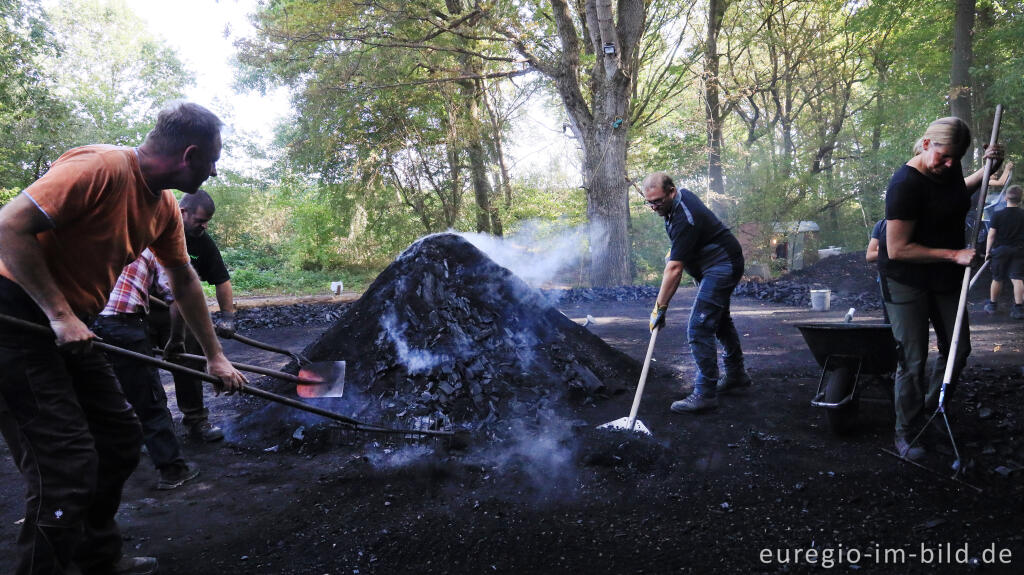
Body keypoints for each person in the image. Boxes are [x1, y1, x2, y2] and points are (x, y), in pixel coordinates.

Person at [0, 101, 247, 575]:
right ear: (189, 154)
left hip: (71, 322)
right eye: (213, 160)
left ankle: (96, 558)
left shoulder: (164, 209)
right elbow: (10, 226)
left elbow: (185, 279)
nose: (215, 170)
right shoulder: (103, 168)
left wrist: (215, 357)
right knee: (64, 462)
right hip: (14, 317)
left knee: (118, 437)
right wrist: (59, 314)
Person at [883, 116, 1002, 461]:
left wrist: (988, 169)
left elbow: (953, 193)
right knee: (913, 357)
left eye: (956, 159)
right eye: (944, 157)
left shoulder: (947, 168)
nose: (950, 165)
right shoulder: (905, 184)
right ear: (925, 144)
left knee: (958, 349)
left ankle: (932, 409)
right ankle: (905, 430)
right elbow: (897, 249)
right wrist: (954, 254)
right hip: (907, 279)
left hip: (946, 276)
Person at [92, 249, 200, 490]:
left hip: (83, 323)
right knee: (150, 399)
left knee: (99, 397)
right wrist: (177, 339)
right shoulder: (152, 247)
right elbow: (177, 297)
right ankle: (173, 469)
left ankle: (102, 469)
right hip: (123, 324)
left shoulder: (91, 234)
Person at [642, 172, 750, 413]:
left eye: (657, 201)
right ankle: (736, 376)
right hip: (713, 265)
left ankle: (705, 393)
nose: (653, 207)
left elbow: (675, 269)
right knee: (720, 321)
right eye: (649, 202)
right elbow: (686, 244)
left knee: (699, 327)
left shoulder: (685, 217)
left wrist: (659, 309)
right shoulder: (674, 205)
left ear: (672, 191)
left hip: (722, 266)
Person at [148, 189, 236, 442]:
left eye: (207, 221)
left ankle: (196, 421)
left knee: (189, 362)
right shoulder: (154, 227)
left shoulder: (202, 242)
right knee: (142, 367)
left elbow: (222, 280)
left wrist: (227, 317)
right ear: (182, 212)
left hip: (181, 310)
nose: (205, 226)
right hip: (142, 309)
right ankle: (155, 429)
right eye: (200, 221)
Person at [984, 185, 1024, 319]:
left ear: (1006, 198)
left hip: (1000, 251)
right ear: (1020, 199)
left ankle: (992, 305)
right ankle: (1018, 309)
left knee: (997, 278)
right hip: (1019, 250)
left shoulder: (998, 214)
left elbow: (991, 235)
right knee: (1017, 278)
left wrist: (988, 252)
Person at [865, 219, 891, 323]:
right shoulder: (881, 225)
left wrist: (882, 249)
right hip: (887, 282)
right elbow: (870, 255)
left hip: (916, 281)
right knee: (890, 324)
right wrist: (890, 250)